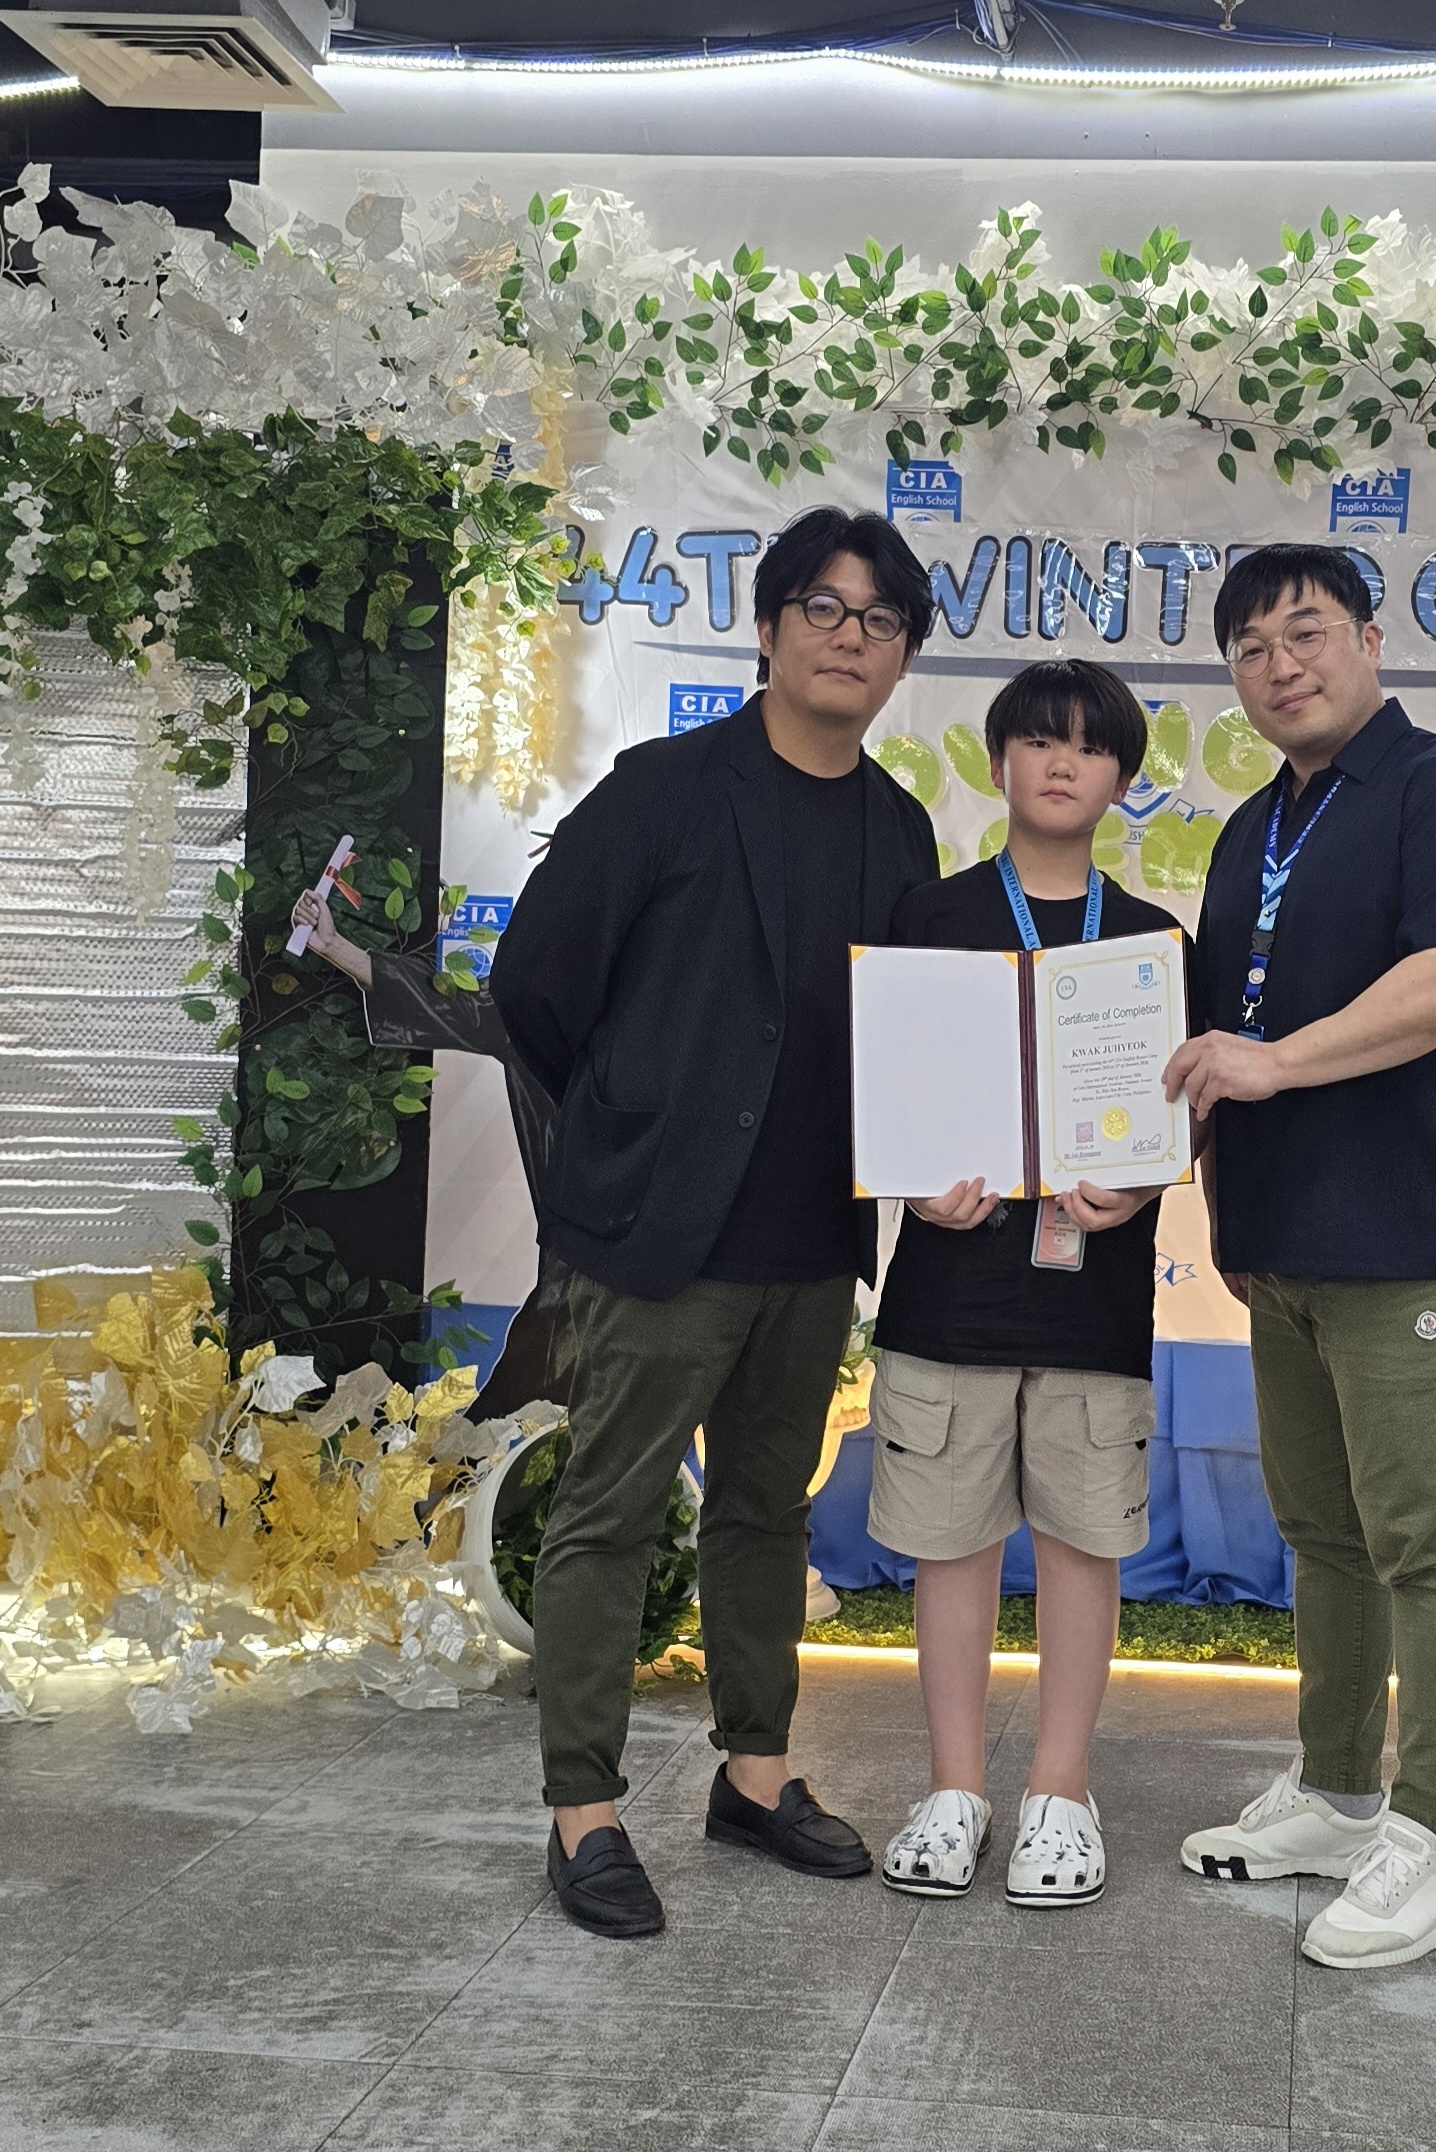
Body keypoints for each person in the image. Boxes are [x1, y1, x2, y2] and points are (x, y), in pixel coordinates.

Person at [488, 506, 941, 1940]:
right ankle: (583, 1811)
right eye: (825, 607)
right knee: (612, 1511)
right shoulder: (665, 790)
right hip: (657, 1233)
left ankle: (754, 1776)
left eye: (880, 619)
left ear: (903, 656)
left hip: (811, 1240)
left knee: (764, 1512)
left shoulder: (899, 826)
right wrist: (634, 1120)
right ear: (767, 625)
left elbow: (909, 1036)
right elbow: (534, 986)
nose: (849, 637)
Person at [1164, 543, 1436, 1971]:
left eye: (1306, 632)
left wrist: (1276, 1065)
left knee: (1423, 1541)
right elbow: (1217, 1038)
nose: (1281, 666)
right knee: (1320, 1537)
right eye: (1251, 649)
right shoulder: (1251, 828)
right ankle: (1334, 1794)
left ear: (1371, 641)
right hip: (1282, 1247)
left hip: (1407, 1239)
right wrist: (1219, 1204)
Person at [869, 660, 1181, 1910]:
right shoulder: (924, 918)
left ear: (1121, 779)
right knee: (949, 1548)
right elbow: (883, 1088)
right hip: (947, 1290)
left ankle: (1061, 1790)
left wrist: (1142, 1188)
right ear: (997, 762)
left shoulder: (1154, 942)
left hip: (1091, 1298)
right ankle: (955, 1789)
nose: (1062, 764)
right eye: (1039, 741)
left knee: (1080, 1543)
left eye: (1090, 747)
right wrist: (911, 1184)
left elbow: (1179, 1120)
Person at [287, 884, 574, 1418]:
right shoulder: (541, 1008)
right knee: (526, 1408)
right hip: (577, 1270)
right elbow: (453, 1005)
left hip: (673, 1270)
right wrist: (334, 946)